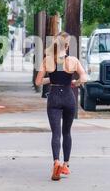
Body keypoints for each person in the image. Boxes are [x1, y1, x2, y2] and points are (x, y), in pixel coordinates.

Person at [35, 32, 88, 181]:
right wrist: (77, 82)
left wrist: (51, 79)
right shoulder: (72, 60)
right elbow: (84, 77)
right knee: (67, 132)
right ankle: (65, 164)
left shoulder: (48, 60)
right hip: (68, 97)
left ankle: (56, 161)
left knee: (56, 133)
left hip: (54, 98)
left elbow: (38, 82)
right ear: (67, 45)